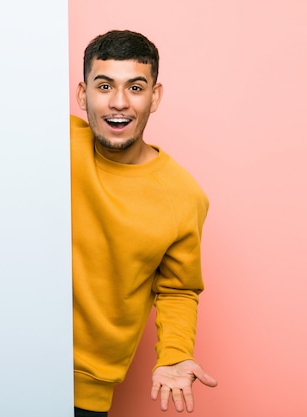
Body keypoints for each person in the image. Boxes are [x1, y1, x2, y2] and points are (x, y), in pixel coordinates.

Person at [71, 30, 218, 416]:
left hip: (83, 391)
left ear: (155, 96)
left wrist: (173, 355)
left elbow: (178, 290)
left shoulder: (183, 196)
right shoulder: (50, 142)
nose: (119, 102)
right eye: (105, 86)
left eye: (135, 87)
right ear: (82, 94)